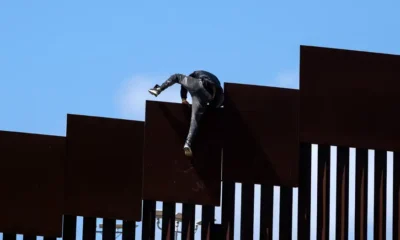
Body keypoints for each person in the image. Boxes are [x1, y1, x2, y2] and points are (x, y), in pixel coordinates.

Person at [148, 70, 224, 157]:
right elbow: (219, 99)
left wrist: (183, 98)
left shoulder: (196, 73)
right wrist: (212, 106)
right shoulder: (217, 84)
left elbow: (183, 85)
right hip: (206, 96)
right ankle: (188, 143)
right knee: (194, 120)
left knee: (177, 76)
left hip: (199, 84)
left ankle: (159, 89)